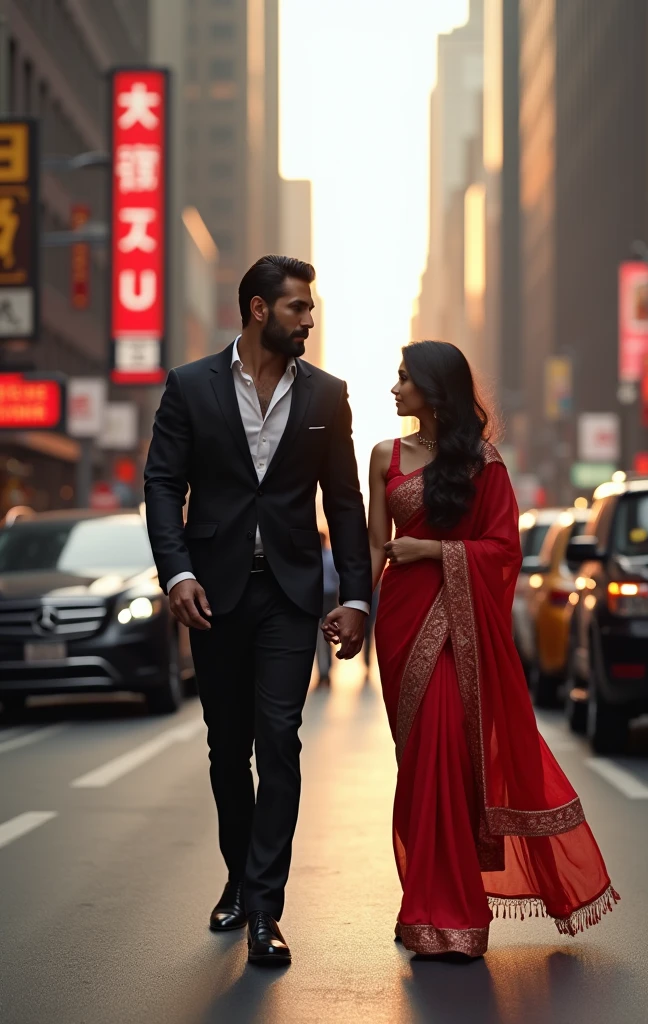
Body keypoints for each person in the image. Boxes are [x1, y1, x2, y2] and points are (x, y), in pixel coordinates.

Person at [144, 255, 371, 966]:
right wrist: (176, 572)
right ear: (257, 310)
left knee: (280, 737)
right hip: (212, 592)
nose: (310, 319)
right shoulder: (189, 387)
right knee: (227, 746)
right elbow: (161, 485)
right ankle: (239, 877)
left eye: (310, 308)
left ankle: (265, 910)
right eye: (299, 307)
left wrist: (357, 595)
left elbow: (344, 499)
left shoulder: (327, 396)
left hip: (287, 594)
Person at [361, 341, 619, 959]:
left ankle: (447, 911)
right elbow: (374, 547)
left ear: (433, 387)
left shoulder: (483, 463)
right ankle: (420, 899)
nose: (393, 390)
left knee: (449, 755)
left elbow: (505, 551)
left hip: (458, 626)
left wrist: (432, 552)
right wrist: (350, 608)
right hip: (400, 624)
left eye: (403, 379)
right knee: (418, 761)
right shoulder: (382, 455)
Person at [316, 531, 340, 686]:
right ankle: (325, 671)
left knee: (324, 636)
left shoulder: (326, 557)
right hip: (326, 598)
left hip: (325, 598)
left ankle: (325, 671)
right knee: (325, 636)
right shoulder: (330, 557)